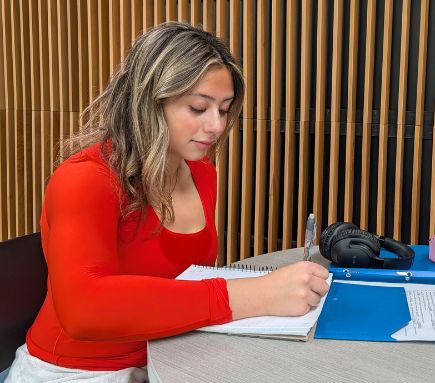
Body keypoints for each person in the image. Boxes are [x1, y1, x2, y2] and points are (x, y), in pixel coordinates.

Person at [5, 22, 329, 383]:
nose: (217, 126)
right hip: (74, 372)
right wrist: (253, 295)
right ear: (149, 102)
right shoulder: (85, 178)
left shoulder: (202, 170)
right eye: (198, 107)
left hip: (168, 357)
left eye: (224, 110)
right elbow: (84, 310)